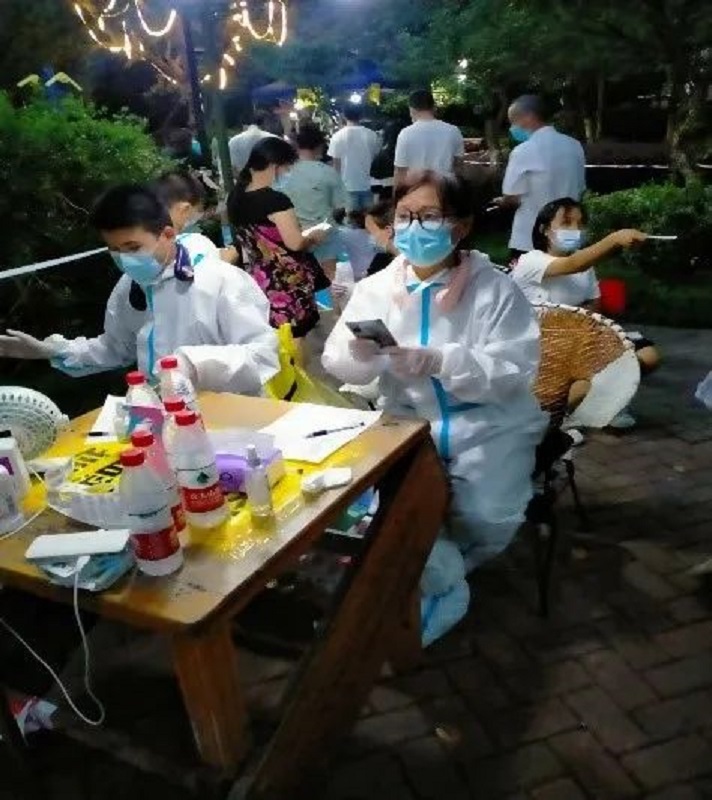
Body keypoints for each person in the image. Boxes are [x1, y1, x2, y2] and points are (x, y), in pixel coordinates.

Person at [322, 171, 547, 645]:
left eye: (429, 216)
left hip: (488, 424)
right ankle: (437, 580)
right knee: (391, 511)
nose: (413, 227)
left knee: (486, 514)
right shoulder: (376, 288)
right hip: (408, 422)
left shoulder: (495, 290)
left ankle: (446, 570)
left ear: (460, 227)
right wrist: (358, 356)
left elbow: (514, 371)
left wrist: (445, 361)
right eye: (404, 216)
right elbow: (339, 362)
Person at [0, 185, 280, 394]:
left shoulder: (220, 281)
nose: (124, 259)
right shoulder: (129, 287)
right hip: (167, 420)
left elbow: (263, 356)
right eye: (114, 250)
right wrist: (52, 351)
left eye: (132, 247)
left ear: (167, 234)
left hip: (231, 417)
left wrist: (195, 364)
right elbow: (115, 347)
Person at [514, 197, 661, 426]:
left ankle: (606, 400)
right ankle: (556, 416)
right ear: (544, 229)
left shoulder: (586, 267)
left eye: (580, 223)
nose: (575, 229)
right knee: (589, 382)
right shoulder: (531, 260)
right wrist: (614, 239)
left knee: (648, 356)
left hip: (582, 341)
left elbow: (594, 307)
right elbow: (572, 265)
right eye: (566, 222)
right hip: (545, 346)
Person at [227, 136, 328, 338]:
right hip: (285, 282)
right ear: (275, 166)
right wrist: (313, 237)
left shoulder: (235, 197)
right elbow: (295, 243)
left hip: (255, 278)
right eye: (287, 167)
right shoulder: (275, 201)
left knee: (267, 337)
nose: (287, 173)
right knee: (293, 338)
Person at [496, 95, 586, 261]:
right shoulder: (574, 145)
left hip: (531, 236)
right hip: (569, 232)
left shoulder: (524, 150)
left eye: (513, 121)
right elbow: (580, 187)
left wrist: (502, 201)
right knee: (570, 273)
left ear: (528, 117)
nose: (512, 128)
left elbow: (512, 197)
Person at [282, 124, 347, 280]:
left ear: (297, 146)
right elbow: (340, 207)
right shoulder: (328, 172)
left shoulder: (285, 174)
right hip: (325, 233)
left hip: (295, 235)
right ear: (319, 146)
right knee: (332, 279)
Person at [151, 171, 238, 265]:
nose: (198, 217)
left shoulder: (148, 243)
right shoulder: (195, 242)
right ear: (185, 210)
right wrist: (225, 261)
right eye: (198, 210)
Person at [393, 90, 465, 186]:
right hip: (446, 189)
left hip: (416, 190)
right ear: (433, 107)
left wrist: (396, 194)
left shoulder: (405, 134)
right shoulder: (453, 131)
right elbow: (459, 166)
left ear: (411, 109)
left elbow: (400, 171)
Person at [327, 103, 380, 211]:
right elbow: (376, 158)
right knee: (369, 218)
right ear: (361, 115)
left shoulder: (337, 137)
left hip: (347, 186)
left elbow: (336, 166)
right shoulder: (372, 135)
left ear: (344, 116)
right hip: (369, 184)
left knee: (351, 219)